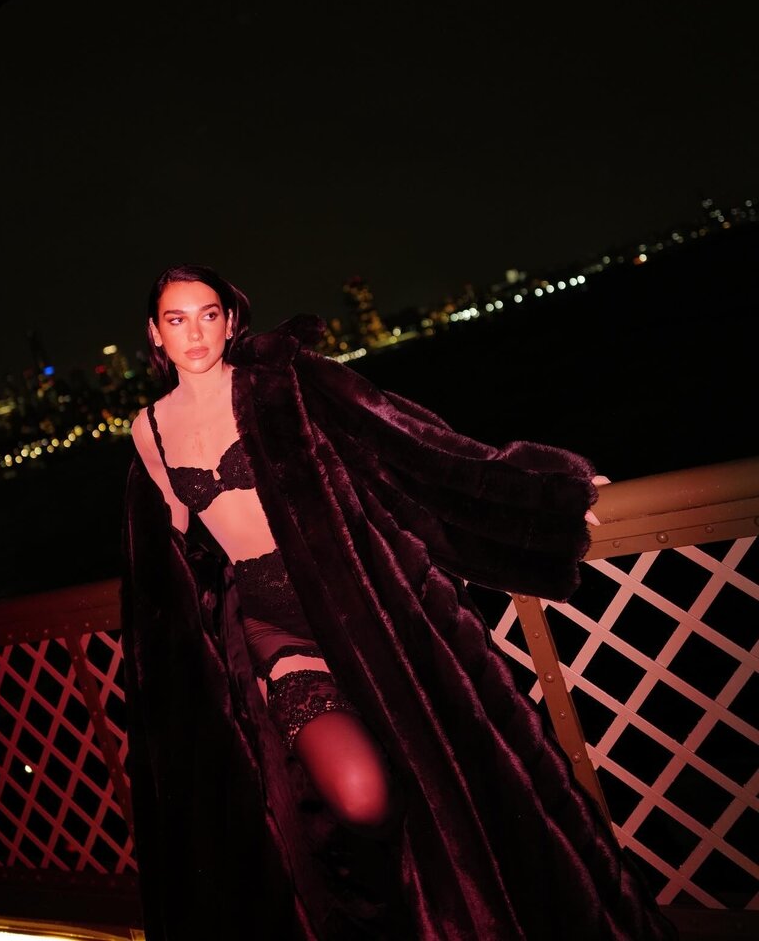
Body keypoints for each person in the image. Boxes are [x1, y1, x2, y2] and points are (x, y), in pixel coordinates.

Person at [120, 263, 677, 940]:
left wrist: (540, 498)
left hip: (359, 607)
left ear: (230, 319)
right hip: (276, 632)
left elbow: (407, 443)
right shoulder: (149, 430)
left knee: (453, 771)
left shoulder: (280, 382)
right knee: (361, 796)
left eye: (208, 314)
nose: (195, 333)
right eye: (176, 319)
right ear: (155, 334)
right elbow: (172, 555)